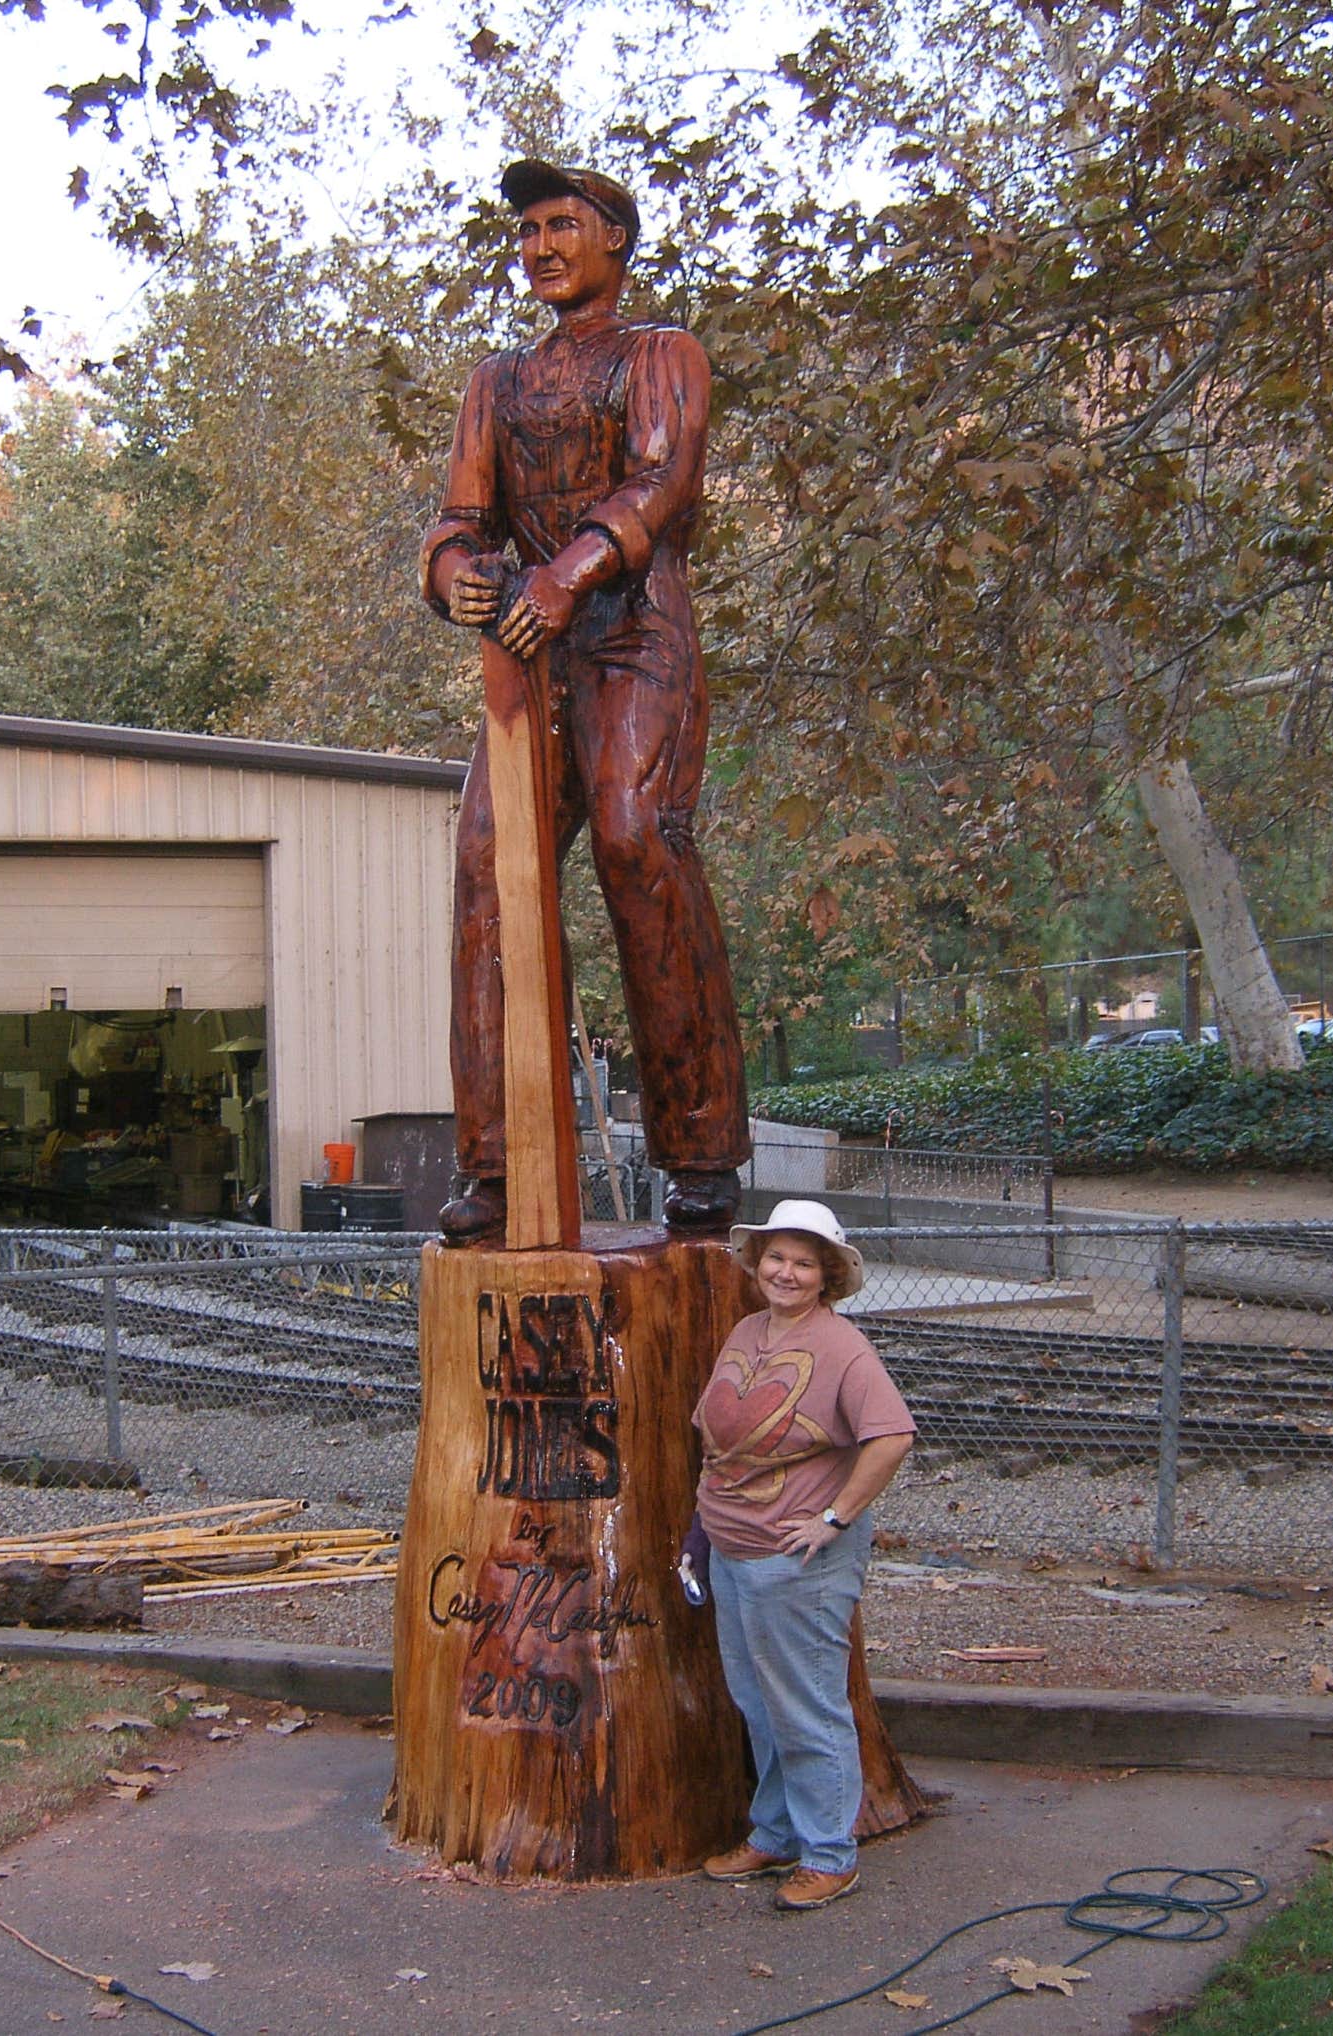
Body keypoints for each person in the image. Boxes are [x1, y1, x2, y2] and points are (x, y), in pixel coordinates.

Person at [419, 158, 751, 1244]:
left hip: (633, 631)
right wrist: (454, 570)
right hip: (530, 647)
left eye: (562, 224)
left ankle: (700, 1153)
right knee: (486, 866)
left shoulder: (663, 354)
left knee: (634, 837)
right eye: (527, 230)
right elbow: (459, 514)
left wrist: (568, 573)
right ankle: (497, 1160)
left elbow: (662, 482)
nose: (540, 245)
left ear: (615, 238)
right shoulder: (495, 382)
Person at [691, 1198, 914, 1911]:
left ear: (828, 1276)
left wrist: (834, 1518)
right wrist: (700, 1532)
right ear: (758, 1265)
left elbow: (891, 1436)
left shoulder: (842, 1347)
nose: (786, 1273)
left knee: (808, 1709)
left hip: (796, 1559)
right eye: (776, 1258)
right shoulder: (749, 1330)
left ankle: (830, 1854)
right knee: (759, 1703)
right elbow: (719, 1440)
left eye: (804, 1263)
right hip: (732, 1549)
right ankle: (777, 1831)